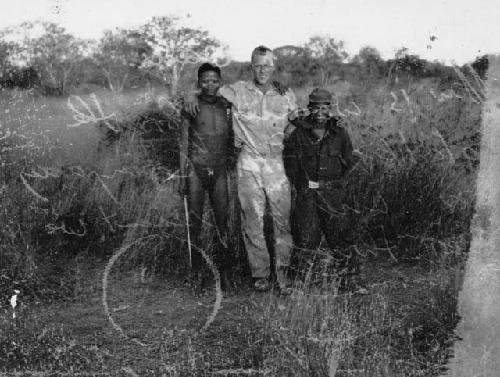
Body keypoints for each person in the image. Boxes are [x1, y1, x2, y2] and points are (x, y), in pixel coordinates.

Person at [185, 46, 298, 293]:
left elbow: (296, 122)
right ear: (252, 66)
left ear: (273, 67)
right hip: (248, 163)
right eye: (258, 65)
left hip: (275, 163)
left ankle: (284, 275)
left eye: (267, 65)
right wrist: (192, 95)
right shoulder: (236, 91)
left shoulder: (285, 94)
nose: (262, 70)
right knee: (252, 221)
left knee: (282, 221)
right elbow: (208, 89)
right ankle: (261, 276)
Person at [283, 88, 360, 289]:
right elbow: (290, 166)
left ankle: (348, 281)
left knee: (341, 238)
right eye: (316, 107)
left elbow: (349, 163)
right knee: (306, 238)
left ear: (331, 109)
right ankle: (300, 283)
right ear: (309, 109)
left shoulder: (339, 133)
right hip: (308, 195)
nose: (320, 112)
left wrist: (339, 188)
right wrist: (303, 187)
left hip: (333, 195)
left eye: (325, 107)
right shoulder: (298, 134)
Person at [179, 62, 234, 290]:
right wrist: (183, 176)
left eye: (214, 81)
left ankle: (226, 274)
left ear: (220, 83)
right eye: (205, 81)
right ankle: (196, 274)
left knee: (223, 223)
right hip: (196, 170)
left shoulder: (228, 105)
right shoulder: (190, 106)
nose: (210, 85)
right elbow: (183, 141)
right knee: (195, 224)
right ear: (199, 83)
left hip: (219, 170)